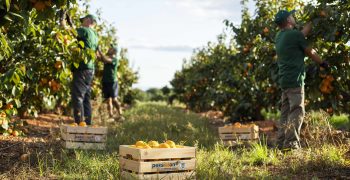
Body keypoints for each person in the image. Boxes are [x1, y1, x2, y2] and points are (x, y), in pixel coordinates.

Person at [274, 10, 328, 150]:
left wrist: (313, 20)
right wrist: (322, 63)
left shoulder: (279, 36)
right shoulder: (295, 35)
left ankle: (280, 143)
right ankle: (291, 145)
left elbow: (300, 35)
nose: (294, 17)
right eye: (291, 16)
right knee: (297, 111)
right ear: (288, 20)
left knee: (285, 113)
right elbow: (310, 52)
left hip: (285, 80)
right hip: (295, 80)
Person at [71, 14, 99, 125]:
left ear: (88, 20)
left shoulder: (84, 30)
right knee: (86, 97)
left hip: (82, 67)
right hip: (90, 69)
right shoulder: (95, 35)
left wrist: (62, 22)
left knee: (78, 96)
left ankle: (79, 124)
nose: (81, 23)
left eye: (83, 20)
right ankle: (87, 123)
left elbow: (70, 33)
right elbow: (96, 54)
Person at [97, 45, 123, 120]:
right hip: (105, 81)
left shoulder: (114, 59)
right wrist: (95, 51)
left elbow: (105, 59)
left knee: (114, 99)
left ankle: (120, 113)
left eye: (110, 49)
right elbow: (99, 58)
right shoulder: (106, 59)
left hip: (112, 81)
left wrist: (99, 50)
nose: (108, 49)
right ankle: (111, 116)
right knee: (108, 100)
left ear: (114, 51)